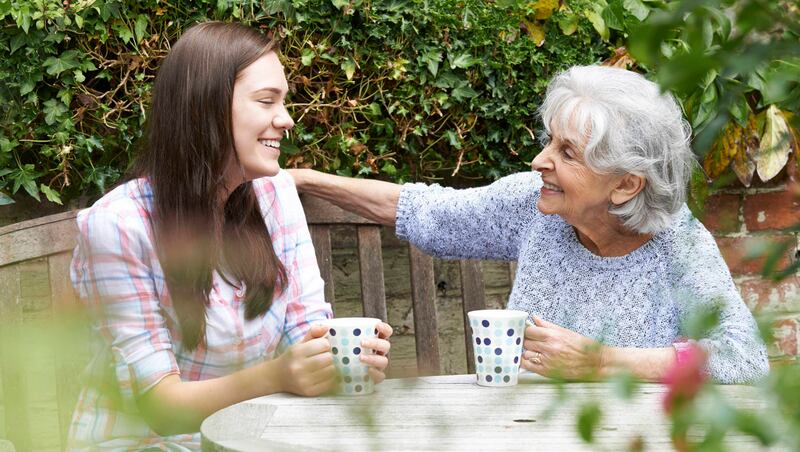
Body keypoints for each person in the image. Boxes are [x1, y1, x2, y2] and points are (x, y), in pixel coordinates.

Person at [289, 65, 769, 384]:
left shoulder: (678, 245)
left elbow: (745, 357)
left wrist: (600, 362)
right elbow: (425, 211)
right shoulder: (535, 205)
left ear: (625, 185)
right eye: (548, 142)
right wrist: (305, 180)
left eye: (566, 153)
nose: (539, 161)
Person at [69, 21, 392, 450]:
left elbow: (308, 331)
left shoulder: (274, 196)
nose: (287, 119)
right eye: (266, 101)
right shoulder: (118, 226)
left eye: (284, 101)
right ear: (206, 108)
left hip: (245, 439)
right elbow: (160, 408)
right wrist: (277, 376)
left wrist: (338, 361)